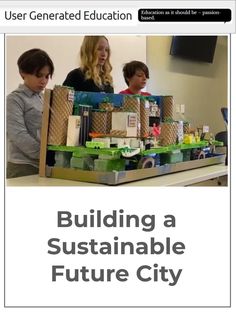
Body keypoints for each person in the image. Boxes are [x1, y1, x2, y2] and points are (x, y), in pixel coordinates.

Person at [6, 48, 54, 178]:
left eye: (47, 76)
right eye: (38, 75)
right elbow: (18, 135)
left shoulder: (44, 97)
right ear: (23, 73)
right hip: (22, 167)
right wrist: (44, 153)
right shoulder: (14, 99)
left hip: (44, 164)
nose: (43, 80)